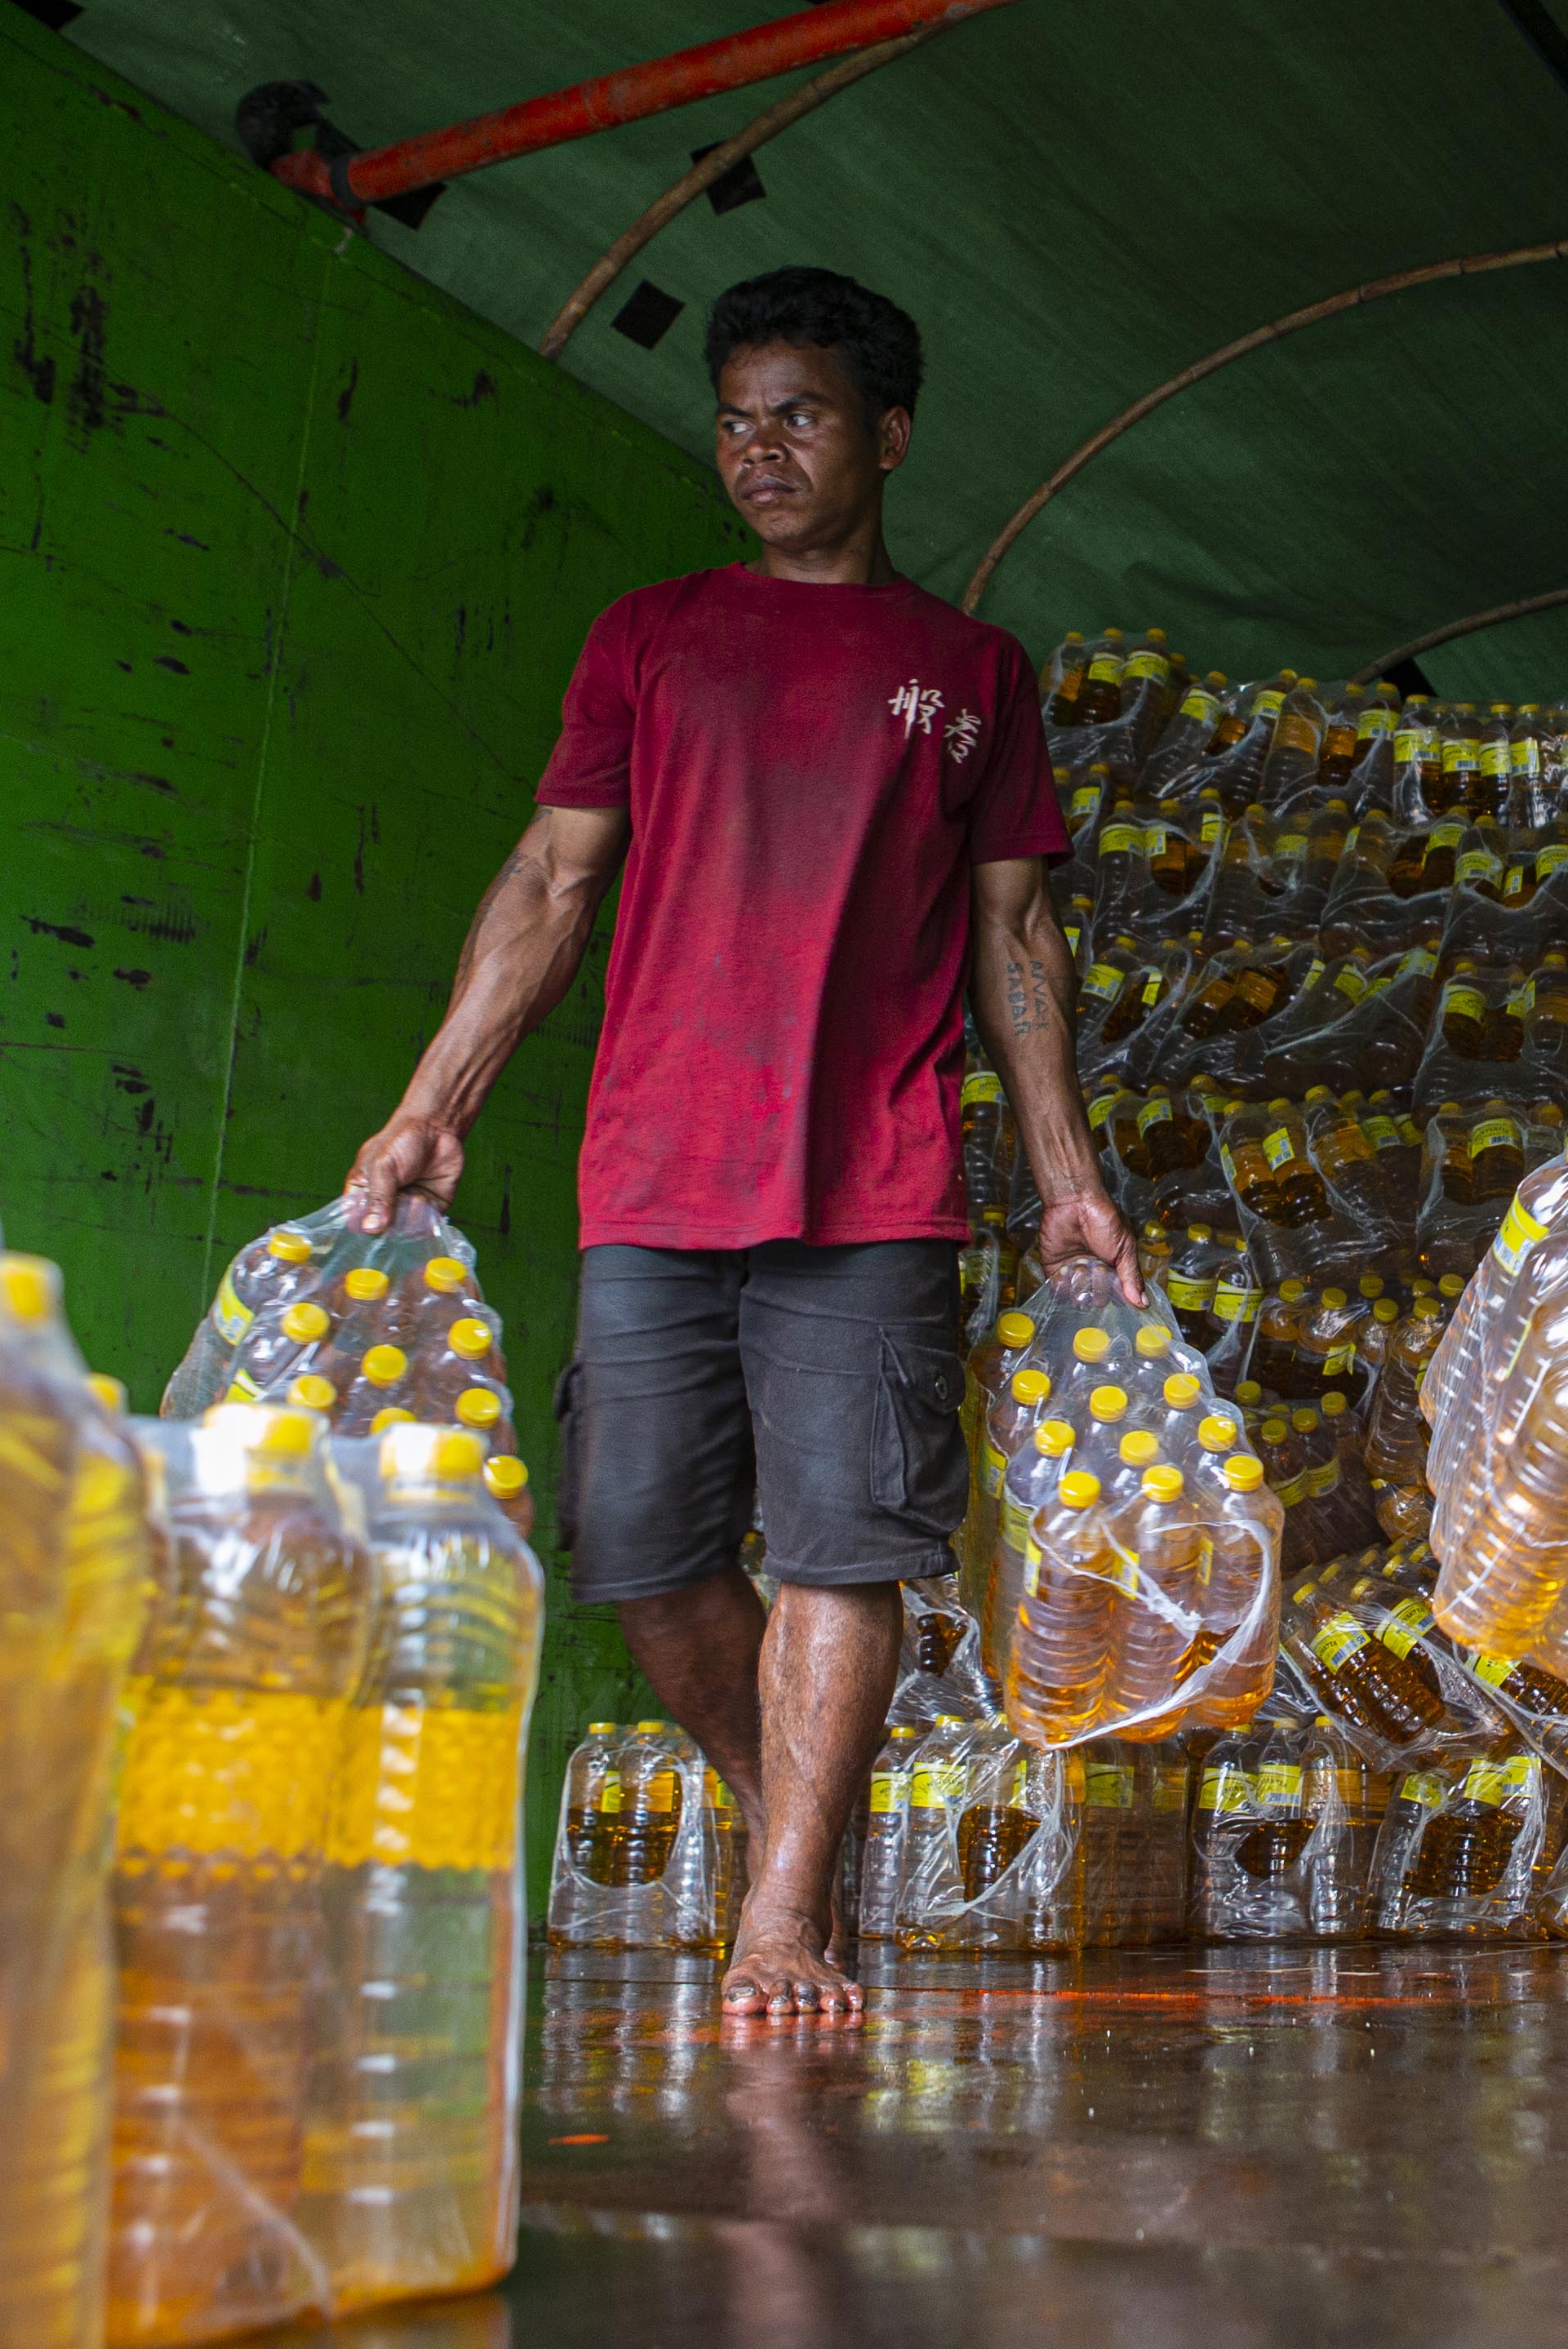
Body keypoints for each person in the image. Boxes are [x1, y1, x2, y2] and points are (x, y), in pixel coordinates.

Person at [343, 264, 1133, 2022]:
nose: (759, 450)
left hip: (873, 1179)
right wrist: (429, 1106)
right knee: (640, 1548)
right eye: (736, 417)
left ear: (890, 436)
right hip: (652, 1173)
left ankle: (779, 1919)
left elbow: (1016, 942)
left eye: (802, 415)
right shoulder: (652, 636)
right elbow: (551, 881)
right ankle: (796, 1823)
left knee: (847, 1551)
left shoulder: (967, 671)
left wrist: (1069, 1181)